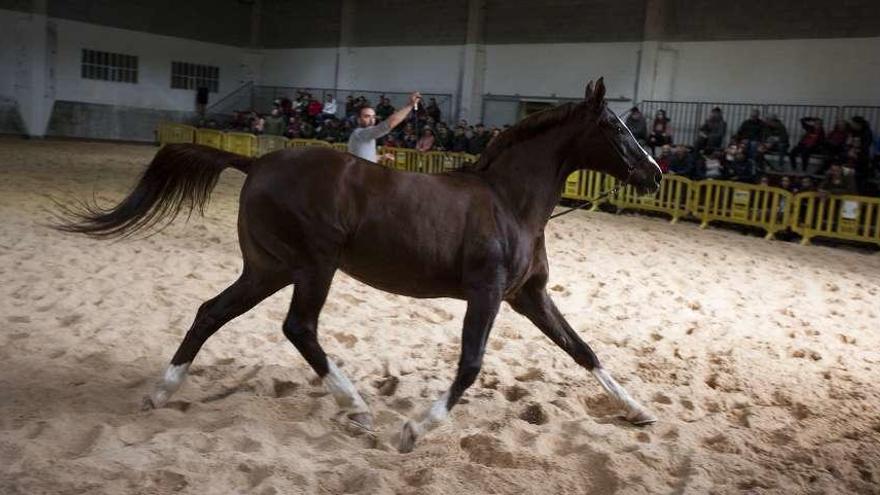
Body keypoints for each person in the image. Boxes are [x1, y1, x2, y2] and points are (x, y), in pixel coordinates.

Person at [347, 92, 421, 163]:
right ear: (358, 119)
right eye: (367, 116)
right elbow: (389, 124)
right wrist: (410, 105)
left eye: (373, 117)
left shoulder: (365, 135)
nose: (372, 120)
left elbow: (366, 157)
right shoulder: (360, 133)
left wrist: (382, 157)